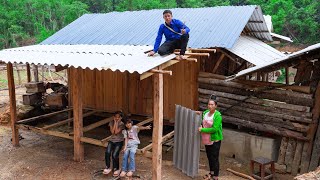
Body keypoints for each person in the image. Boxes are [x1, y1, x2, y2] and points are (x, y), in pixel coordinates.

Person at [196, 95, 223, 180]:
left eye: (212, 104)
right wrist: (199, 114)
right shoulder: (206, 113)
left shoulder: (218, 116)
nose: (210, 106)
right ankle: (211, 173)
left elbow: (214, 129)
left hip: (215, 139)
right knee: (209, 156)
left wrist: (202, 130)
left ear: (216, 106)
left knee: (214, 157)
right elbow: (202, 120)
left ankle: (216, 176)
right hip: (207, 139)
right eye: (209, 104)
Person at [103, 111, 125, 176]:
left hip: (119, 141)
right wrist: (115, 122)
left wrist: (117, 122)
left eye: (118, 117)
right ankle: (108, 167)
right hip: (111, 140)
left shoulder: (122, 124)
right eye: (116, 117)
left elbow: (116, 132)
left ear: (121, 118)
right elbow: (112, 132)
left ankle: (116, 168)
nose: (117, 118)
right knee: (107, 152)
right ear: (114, 117)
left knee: (115, 155)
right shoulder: (111, 122)